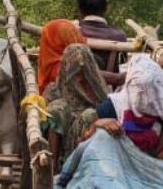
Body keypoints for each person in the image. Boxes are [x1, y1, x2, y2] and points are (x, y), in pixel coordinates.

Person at [85, 54, 163, 160]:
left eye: (150, 90)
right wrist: (97, 125)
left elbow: (159, 158)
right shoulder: (112, 107)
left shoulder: (162, 119)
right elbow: (82, 142)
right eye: (138, 89)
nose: (143, 97)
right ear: (130, 85)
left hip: (142, 173)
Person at [38, 20, 111, 164]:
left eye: (83, 72)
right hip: (60, 147)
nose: (79, 77)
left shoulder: (98, 92)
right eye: (75, 72)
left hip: (86, 148)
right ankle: (53, 168)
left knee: (90, 115)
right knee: (56, 110)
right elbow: (42, 120)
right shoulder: (54, 90)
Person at [76, 0, 127, 86]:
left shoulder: (70, 33)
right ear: (106, 8)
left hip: (76, 93)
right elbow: (121, 67)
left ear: (80, 9)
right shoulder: (119, 37)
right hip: (107, 96)